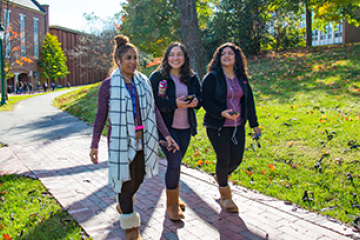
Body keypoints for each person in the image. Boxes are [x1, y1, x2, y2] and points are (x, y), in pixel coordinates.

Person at [89, 35, 178, 240]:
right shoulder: (108, 85)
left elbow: (154, 110)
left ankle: (124, 202)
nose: (133, 62)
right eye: (128, 58)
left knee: (138, 178)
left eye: (135, 58)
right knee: (126, 183)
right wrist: (94, 143)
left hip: (143, 140)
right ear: (118, 60)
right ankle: (131, 227)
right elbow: (101, 115)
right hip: (120, 142)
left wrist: (165, 134)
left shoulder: (143, 82)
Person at [202, 42, 261, 213]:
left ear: (236, 57)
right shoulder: (212, 77)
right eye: (223, 54)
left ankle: (221, 178)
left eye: (230, 53)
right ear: (218, 58)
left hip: (237, 126)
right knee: (223, 159)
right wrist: (221, 113)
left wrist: (254, 124)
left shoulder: (241, 77)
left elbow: (249, 101)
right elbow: (206, 101)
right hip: (218, 126)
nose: (226, 56)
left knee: (236, 159)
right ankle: (225, 196)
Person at [149, 42, 201, 220]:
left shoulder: (192, 77)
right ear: (166, 57)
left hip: (185, 128)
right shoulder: (157, 77)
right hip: (166, 129)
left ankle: (174, 198)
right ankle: (171, 206)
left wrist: (195, 102)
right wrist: (174, 104)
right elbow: (152, 104)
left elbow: (200, 98)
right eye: (172, 54)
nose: (175, 58)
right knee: (174, 163)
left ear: (185, 57)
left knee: (177, 164)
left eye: (179, 54)